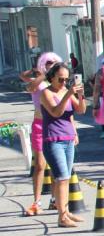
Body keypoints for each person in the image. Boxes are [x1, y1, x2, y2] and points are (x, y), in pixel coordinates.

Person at [39, 62, 87, 227]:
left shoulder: (66, 91)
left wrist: (80, 95)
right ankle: (62, 217)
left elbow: (80, 110)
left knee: (66, 178)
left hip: (68, 138)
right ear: (52, 77)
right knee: (61, 177)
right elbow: (55, 112)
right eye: (61, 79)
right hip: (53, 140)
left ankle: (66, 212)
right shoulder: (46, 93)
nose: (64, 83)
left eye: (67, 79)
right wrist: (68, 95)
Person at [19, 52, 61, 215]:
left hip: (55, 125)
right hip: (39, 125)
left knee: (56, 166)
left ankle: (54, 200)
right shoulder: (39, 81)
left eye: (54, 62)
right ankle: (36, 202)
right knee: (40, 165)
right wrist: (42, 73)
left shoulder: (58, 82)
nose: (51, 64)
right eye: (48, 62)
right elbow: (29, 86)